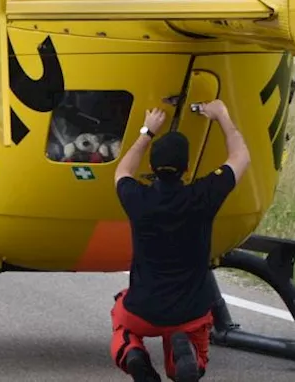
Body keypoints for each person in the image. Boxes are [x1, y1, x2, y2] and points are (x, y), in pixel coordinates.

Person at [110, 99, 251, 382]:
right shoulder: (202, 196)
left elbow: (121, 172)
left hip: (144, 309)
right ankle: (186, 357)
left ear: (152, 166)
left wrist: (146, 133)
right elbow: (241, 157)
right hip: (191, 311)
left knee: (121, 318)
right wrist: (222, 115)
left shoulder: (138, 199)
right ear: (187, 168)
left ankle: (133, 352)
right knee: (190, 361)